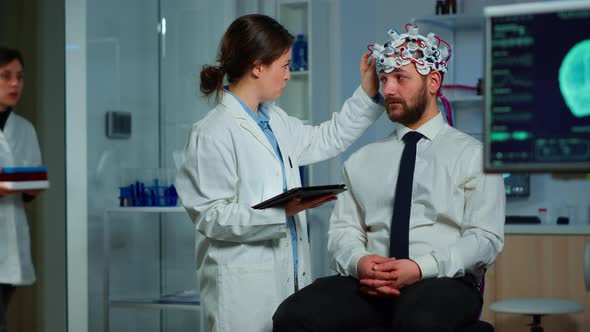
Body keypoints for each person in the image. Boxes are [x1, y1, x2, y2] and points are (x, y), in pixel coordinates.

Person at [272, 24, 506, 332]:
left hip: (442, 280)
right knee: (293, 315)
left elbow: (485, 239)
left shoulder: (473, 156)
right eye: (384, 79)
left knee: (416, 321)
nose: (388, 90)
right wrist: (360, 263)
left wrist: (420, 268)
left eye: (400, 78)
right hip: (371, 283)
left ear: (433, 81)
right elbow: (343, 234)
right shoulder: (361, 161)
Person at [174, 14, 384, 332]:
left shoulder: (275, 120)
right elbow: (210, 217)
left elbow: (328, 137)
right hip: (243, 289)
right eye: (284, 65)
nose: (288, 74)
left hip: (290, 276)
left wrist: (367, 92)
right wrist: (279, 211)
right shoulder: (213, 131)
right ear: (258, 66)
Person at [0, 47, 44, 332]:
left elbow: (30, 183)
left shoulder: (24, 128)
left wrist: (30, 188)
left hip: (9, 242)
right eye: (6, 76)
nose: (15, 84)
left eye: (20, 77)